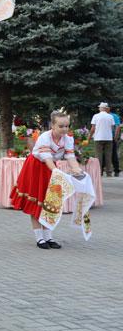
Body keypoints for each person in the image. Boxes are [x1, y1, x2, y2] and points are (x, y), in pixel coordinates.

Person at [11, 110, 82, 249]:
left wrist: (77, 169)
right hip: (36, 167)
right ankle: (39, 239)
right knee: (37, 201)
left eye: (67, 126)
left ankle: (49, 237)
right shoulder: (45, 137)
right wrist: (56, 172)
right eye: (61, 126)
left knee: (50, 202)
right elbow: (47, 158)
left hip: (51, 169)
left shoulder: (68, 139)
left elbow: (70, 157)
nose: (64, 129)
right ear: (53, 126)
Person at [89, 102, 115, 177]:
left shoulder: (96, 116)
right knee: (108, 155)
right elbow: (112, 127)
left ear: (101, 108)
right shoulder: (110, 116)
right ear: (106, 108)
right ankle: (109, 172)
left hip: (98, 138)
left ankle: (99, 172)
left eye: (99, 107)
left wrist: (89, 137)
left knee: (98, 155)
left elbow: (93, 128)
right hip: (108, 138)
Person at [111, 107, 121, 177]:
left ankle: (116, 170)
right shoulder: (115, 116)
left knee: (113, 153)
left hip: (111, 137)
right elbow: (118, 127)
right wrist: (116, 136)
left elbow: (118, 127)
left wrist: (115, 136)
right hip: (111, 137)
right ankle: (116, 170)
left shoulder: (114, 116)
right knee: (114, 153)